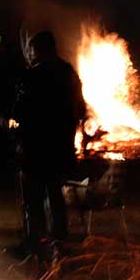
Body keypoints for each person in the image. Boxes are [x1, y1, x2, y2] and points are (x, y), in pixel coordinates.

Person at [13, 30, 86, 252]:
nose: (30, 54)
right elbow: (81, 109)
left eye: (33, 50)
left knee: (33, 198)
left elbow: (19, 111)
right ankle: (59, 241)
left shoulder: (31, 76)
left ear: (39, 50)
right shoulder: (68, 73)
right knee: (55, 195)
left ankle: (35, 243)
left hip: (35, 148)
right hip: (61, 147)